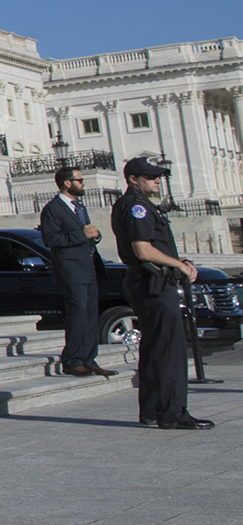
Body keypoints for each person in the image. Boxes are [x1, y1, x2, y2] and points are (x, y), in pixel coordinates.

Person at [110, 156, 210, 430]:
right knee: (170, 350)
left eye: (158, 175)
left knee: (155, 349)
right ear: (133, 179)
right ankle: (173, 414)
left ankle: (153, 410)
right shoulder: (136, 208)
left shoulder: (137, 206)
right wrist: (179, 265)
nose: (157, 180)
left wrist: (179, 263)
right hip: (152, 284)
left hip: (148, 282)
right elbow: (143, 249)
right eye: (150, 176)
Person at [40, 165, 113, 377]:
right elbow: (51, 239)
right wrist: (83, 235)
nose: (83, 183)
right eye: (79, 180)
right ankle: (72, 359)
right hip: (71, 268)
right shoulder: (53, 209)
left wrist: (95, 234)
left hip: (88, 266)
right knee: (78, 312)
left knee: (90, 313)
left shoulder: (79, 207)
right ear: (67, 183)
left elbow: (88, 233)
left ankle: (89, 359)